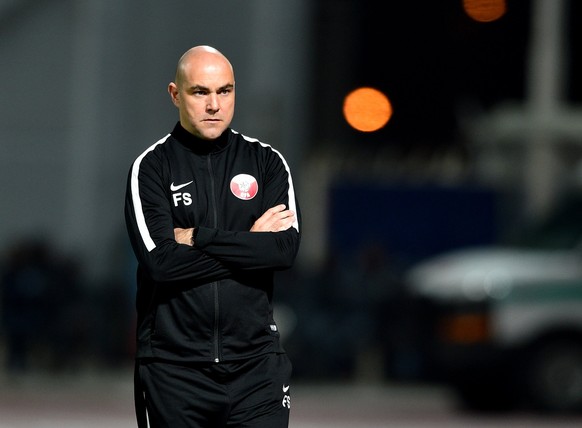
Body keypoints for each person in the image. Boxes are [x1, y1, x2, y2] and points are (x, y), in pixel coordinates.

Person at [124, 45, 301, 428]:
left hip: (257, 369)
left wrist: (200, 236)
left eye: (225, 91)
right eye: (200, 92)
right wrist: (250, 241)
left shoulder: (267, 162)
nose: (214, 105)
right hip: (175, 371)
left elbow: (283, 250)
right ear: (175, 94)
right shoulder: (151, 168)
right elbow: (162, 264)